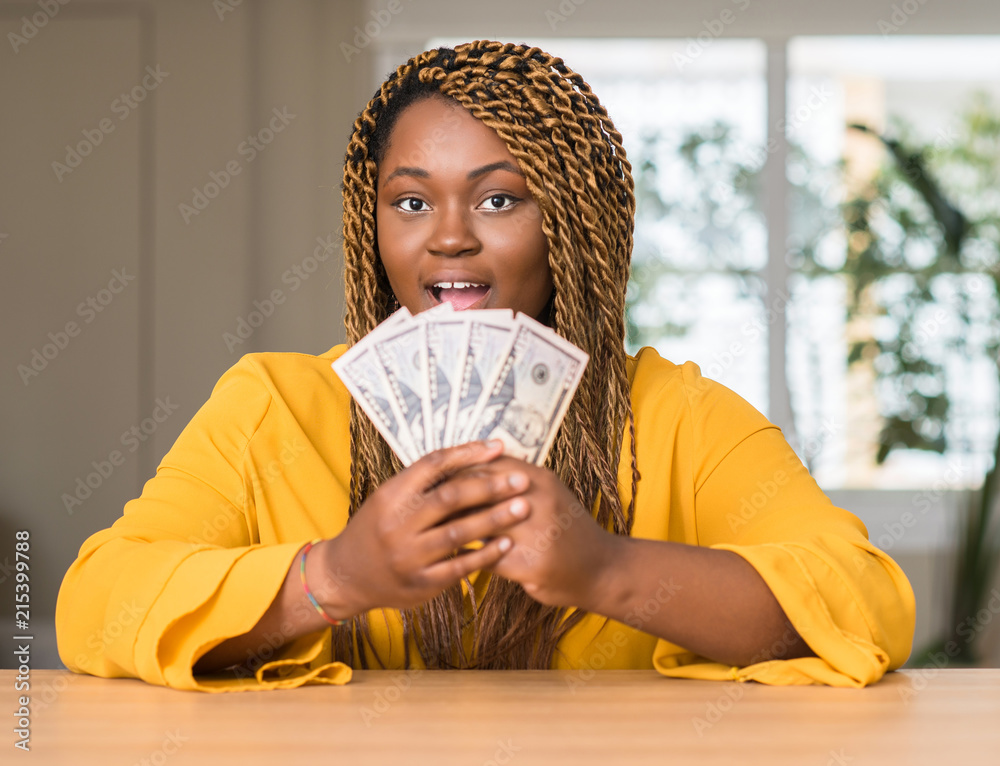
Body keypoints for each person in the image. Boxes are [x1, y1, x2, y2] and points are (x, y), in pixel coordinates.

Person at [55, 41, 915, 692]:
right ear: (374, 225)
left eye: (500, 197)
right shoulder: (274, 409)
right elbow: (96, 602)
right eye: (412, 201)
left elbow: (864, 604)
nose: (450, 234)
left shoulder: (678, 418)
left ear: (577, 224)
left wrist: (607, 570)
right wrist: (331, 578)